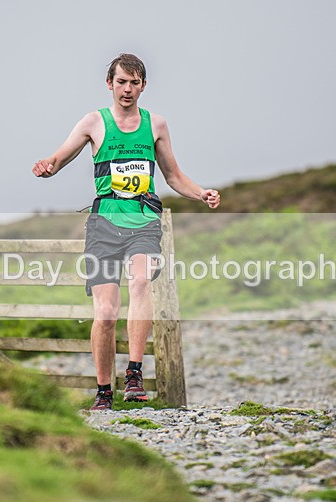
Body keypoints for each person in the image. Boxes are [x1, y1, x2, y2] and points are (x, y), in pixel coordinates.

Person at [32, 53, 220, 410]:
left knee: (140, 282)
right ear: (110, 84)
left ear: (144, 86)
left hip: (143, 222)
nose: (128, 89)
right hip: (104, 224)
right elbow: (58, 160)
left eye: (135, 83)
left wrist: (202, 193)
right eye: (122, 82)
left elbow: (174, 176)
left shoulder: (156, 125)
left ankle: (133, 372)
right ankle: (104, 390)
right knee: (105, 313)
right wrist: (46, 166)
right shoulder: (93, 123)